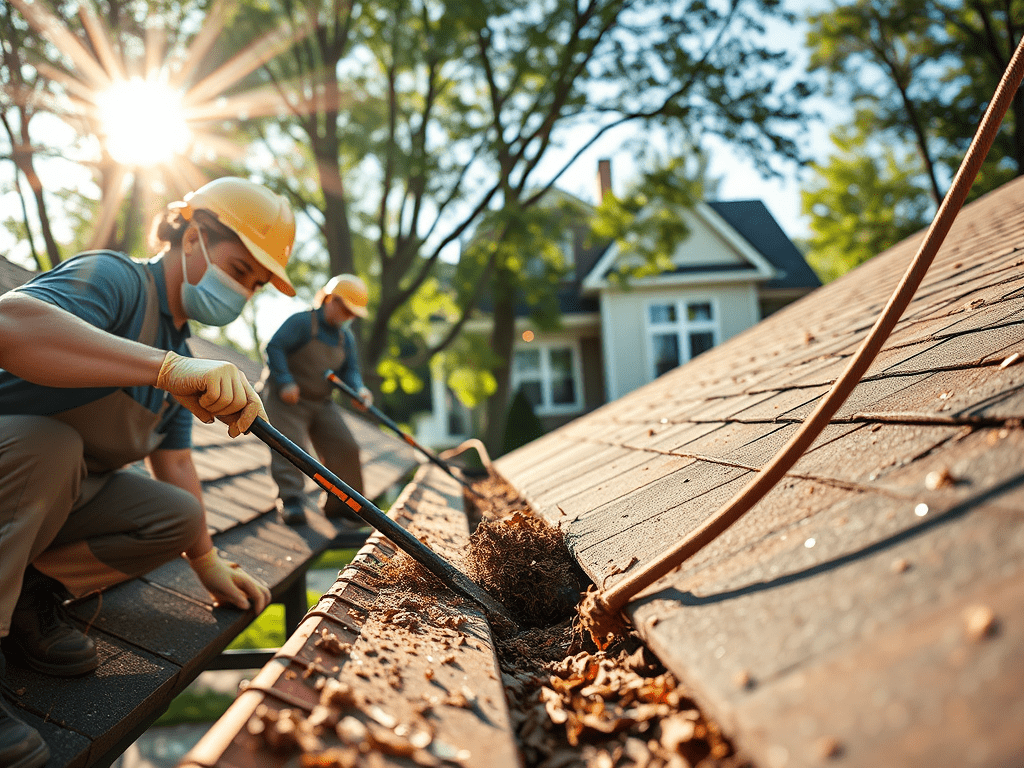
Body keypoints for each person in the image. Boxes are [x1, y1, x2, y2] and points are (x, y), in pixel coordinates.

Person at [0, 177, 296, 768]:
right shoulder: (117, 281)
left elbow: (178, 463)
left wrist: (207, 560)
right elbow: (9, 323)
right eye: (239, 269)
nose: (242, 291)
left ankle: (31, 595)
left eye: (254, 284)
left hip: (38, 504)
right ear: (191, 236)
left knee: (180, 517)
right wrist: (161, 367)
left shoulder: (181, 346)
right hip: (19, 464)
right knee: (52, 445)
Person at [261, 274, 372, 526]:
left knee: (346, 446)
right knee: (290, 447)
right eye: (346, 310)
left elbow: (350, 370)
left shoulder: (346, 339)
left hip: (320, 401)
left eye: (353, 314)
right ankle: (291, 501)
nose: (349, 317)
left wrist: (359, 390)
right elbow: (274, 347)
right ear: (331, 299)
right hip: (287, 399)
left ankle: (342, 505)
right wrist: (285, 380)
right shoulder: (302, 322)